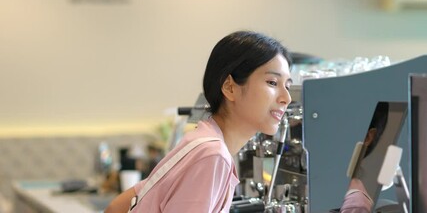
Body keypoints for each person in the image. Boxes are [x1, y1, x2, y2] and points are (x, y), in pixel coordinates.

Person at [105, 31, 372, 213]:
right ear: (230, 87)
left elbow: (121, 204)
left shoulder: (201, 140)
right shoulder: (212, 155)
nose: (286, 98)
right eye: (271, 82)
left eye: (288, 86)